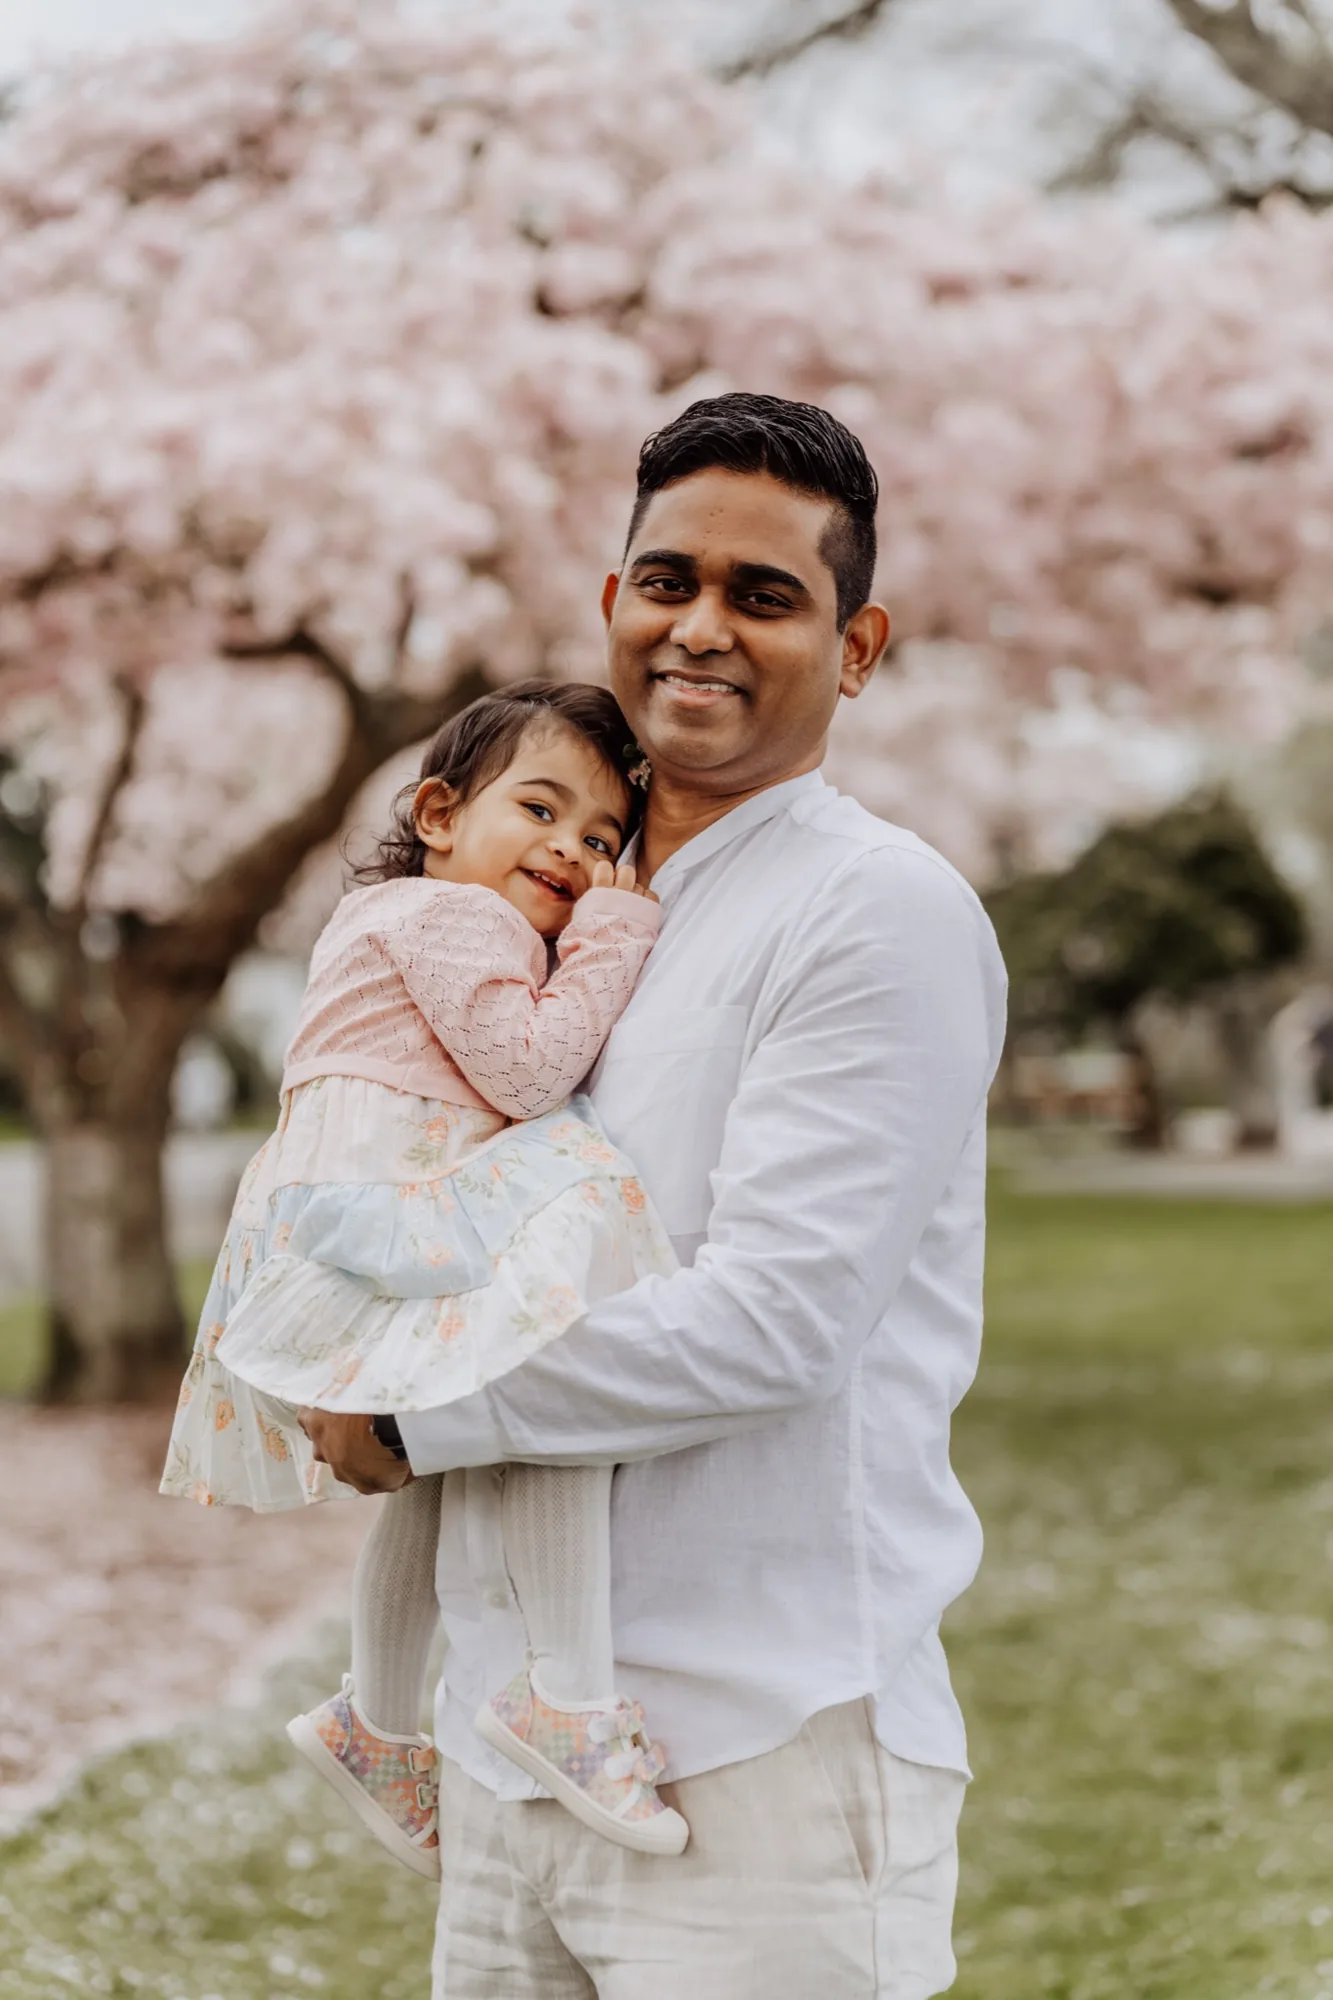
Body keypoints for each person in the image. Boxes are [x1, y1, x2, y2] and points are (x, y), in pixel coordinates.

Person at [303, 391, 1008, 2000]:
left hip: (756, 1745)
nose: (701, 627)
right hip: (507, 1751)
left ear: (858, 646)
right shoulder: (547, 908)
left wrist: (411, 1411)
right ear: (613, 600)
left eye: (764, 596)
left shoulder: (870, 912)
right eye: (667, 579)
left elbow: (775, 1324)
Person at [160, 680, 691, 1875]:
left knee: (440, 1466)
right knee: (549, 1389)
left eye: (603, 838)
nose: (572, 849)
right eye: (541, 809)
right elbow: (533, 1067)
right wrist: (614, 931)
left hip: (364, 1212)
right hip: (394, 1211)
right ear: (439, 813)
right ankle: (565, 1690)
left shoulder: (395, 914)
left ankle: (377, 1720)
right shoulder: (453, 919)